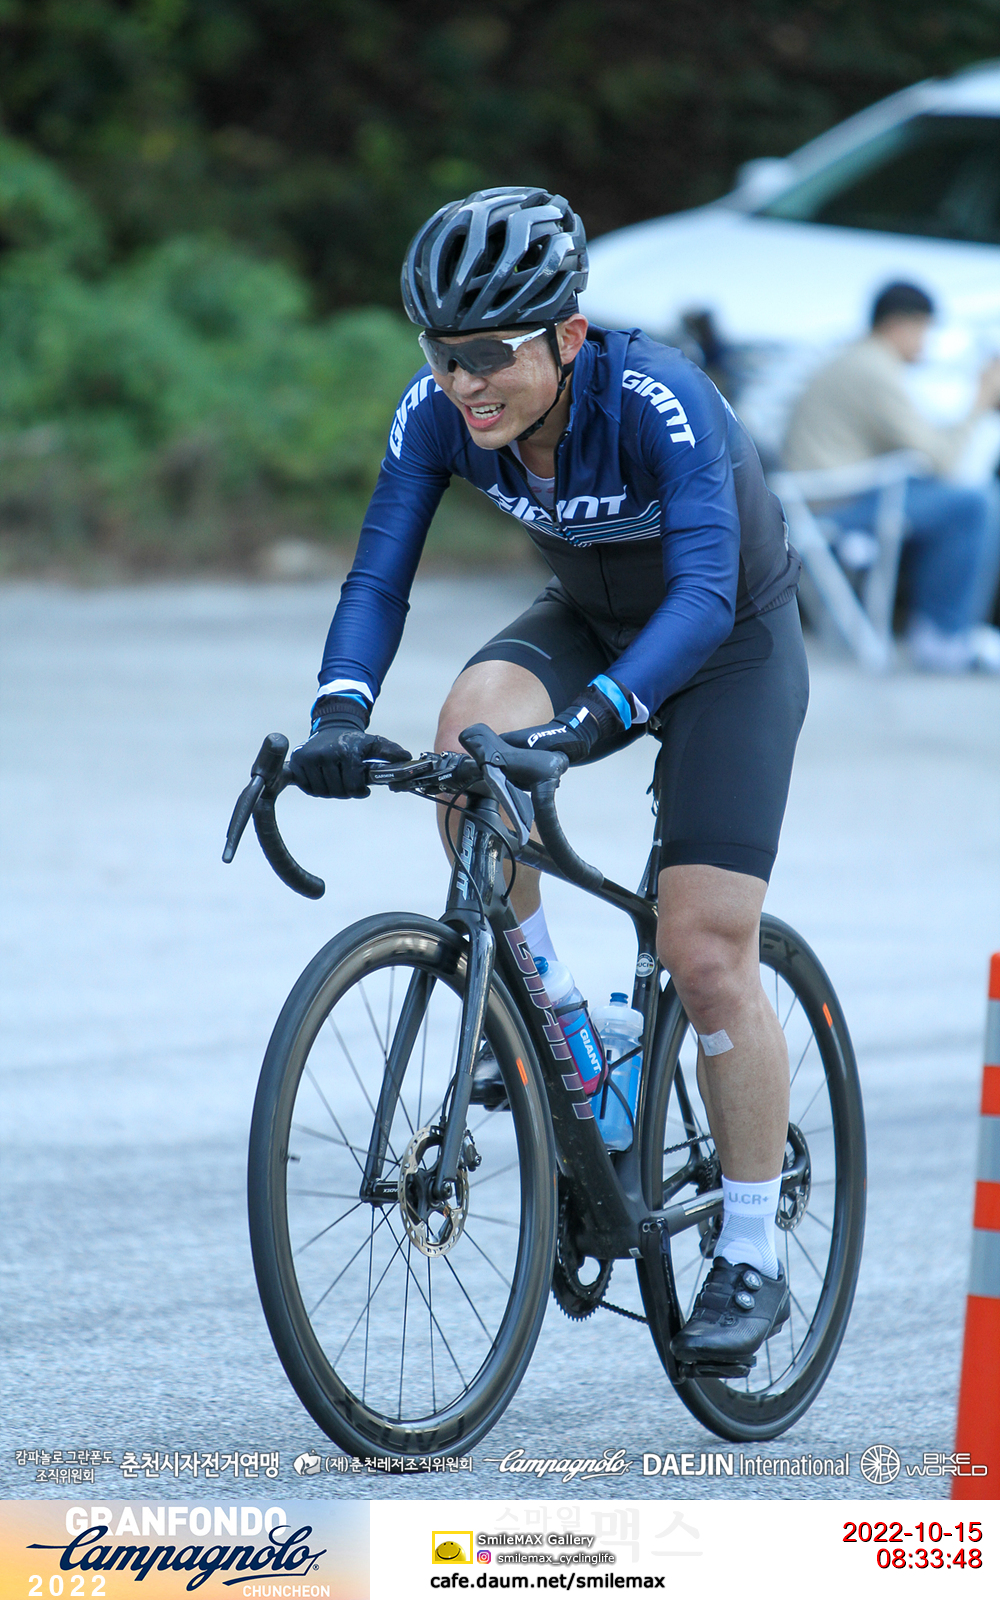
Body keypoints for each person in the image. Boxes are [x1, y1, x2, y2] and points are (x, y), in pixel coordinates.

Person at [287, 187, 809, 1368]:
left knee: (703, 949)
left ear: (568, 335)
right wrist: (337, 712)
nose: (463, 380)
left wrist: (590, 723)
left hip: (729, 641)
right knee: (466, 740)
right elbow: (378, 576)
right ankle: (560, 1018)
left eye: (489, 353)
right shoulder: (436, 412)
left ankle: (749, 1250)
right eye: (442, 352)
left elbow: (704, 594)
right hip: (588, 615)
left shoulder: (660, 398)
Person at [782, 281, 1000, 671]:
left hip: (833, 494)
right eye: (924, 331)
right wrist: (982, 398)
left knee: (959, 499)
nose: (926, 344)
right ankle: (946, 635)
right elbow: (942, 459)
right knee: (974, 503)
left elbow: (924, 446)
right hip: (835, 504)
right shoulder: (873, 368)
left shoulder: (858, 360)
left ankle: (943, 629)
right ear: (899, 325)